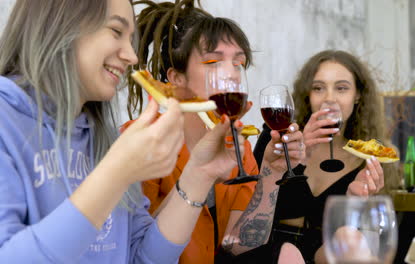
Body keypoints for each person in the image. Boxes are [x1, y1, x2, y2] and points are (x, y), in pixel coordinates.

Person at [0, 0, 266, 262]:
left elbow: (142, 257)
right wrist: (116, 172)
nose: (132, 56)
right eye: (116, 31)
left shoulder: (101, 137)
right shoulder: (7, 122)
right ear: (58, 24)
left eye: (130, 39)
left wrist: (199, 174)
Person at [124, 1, 305, 264]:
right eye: (213, 62)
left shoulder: (239, 148)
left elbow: (239, 245)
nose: (231, 74)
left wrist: (270, 172)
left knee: (287, 252)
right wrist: (200, 176)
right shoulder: (142, 141)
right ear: (177, 78)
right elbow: (135, 249)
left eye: (239, 64)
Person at [248, 50, 400, 263]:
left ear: (357, 95)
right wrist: (298, 158)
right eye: (318, 88)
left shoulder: (368, 156)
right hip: (272, 252)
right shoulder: (279, 135)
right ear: (307, 95)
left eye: (341, 88)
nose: (329, 98)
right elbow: (247, 204)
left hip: (327, 255)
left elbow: (369, 239)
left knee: (352, 242)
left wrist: (354, 204)